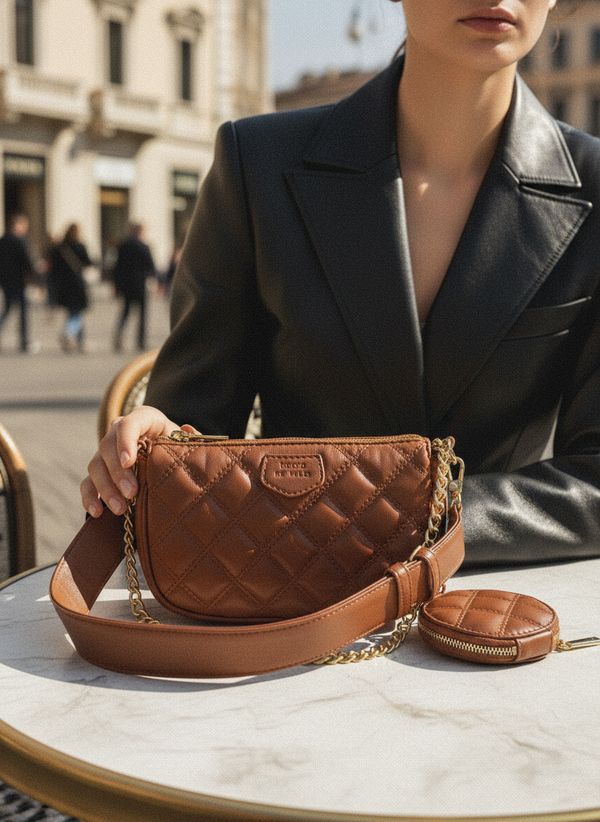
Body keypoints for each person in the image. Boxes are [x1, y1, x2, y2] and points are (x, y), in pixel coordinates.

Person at [82, 0, 600, 569]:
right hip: (286, 600)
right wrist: (160, 448)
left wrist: (409, 513)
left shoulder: (594, 191)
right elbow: (196, 433)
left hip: (496, 619)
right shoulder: (256, 164)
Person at [111, 223, 156, 351]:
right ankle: (140, 341)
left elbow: (117, 268)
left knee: (125, 311)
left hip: (126, 285)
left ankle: (120, 333)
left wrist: (117, 286)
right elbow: (150, 265)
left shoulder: (123, 246)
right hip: (140, 284)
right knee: (142, 314)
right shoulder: (143, 246)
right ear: (140, 231)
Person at [48, 223, 92, 352]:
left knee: (73, 312)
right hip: (77, 283)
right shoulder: (80, 246)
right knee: (76, 313)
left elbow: (53, 268)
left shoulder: (60, 248)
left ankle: (80, 341)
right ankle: (68, 334)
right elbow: (87, 262)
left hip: (64, 285)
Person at [0, 213, 36, 353]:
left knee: (7, 310)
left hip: (6, 281)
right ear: (18, 225)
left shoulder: (3, 240)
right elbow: (27, 261)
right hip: (19, 281)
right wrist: (35, 279)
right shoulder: (20, 241)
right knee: (23, 312)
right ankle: (24, 342)